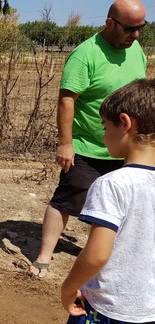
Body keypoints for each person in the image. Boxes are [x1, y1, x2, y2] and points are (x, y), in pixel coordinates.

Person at [30, 0, 147, 280]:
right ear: (109, 24)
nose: (137, 35)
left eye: (141, 28)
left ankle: (115, 255)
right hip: (88, 146)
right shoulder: (86, 54)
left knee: (126, 202)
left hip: (129, 147)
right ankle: (44, 255)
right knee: (67, 199)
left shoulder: (136, 49)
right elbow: (67, 100)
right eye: (131, 29)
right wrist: (65, 143)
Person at [60, 78, 155, 324]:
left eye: (105, 127)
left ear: (125, 123)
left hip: (107, 311)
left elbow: (97, 255)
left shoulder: (112, 184)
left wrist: (68, 288)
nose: (103, 137)